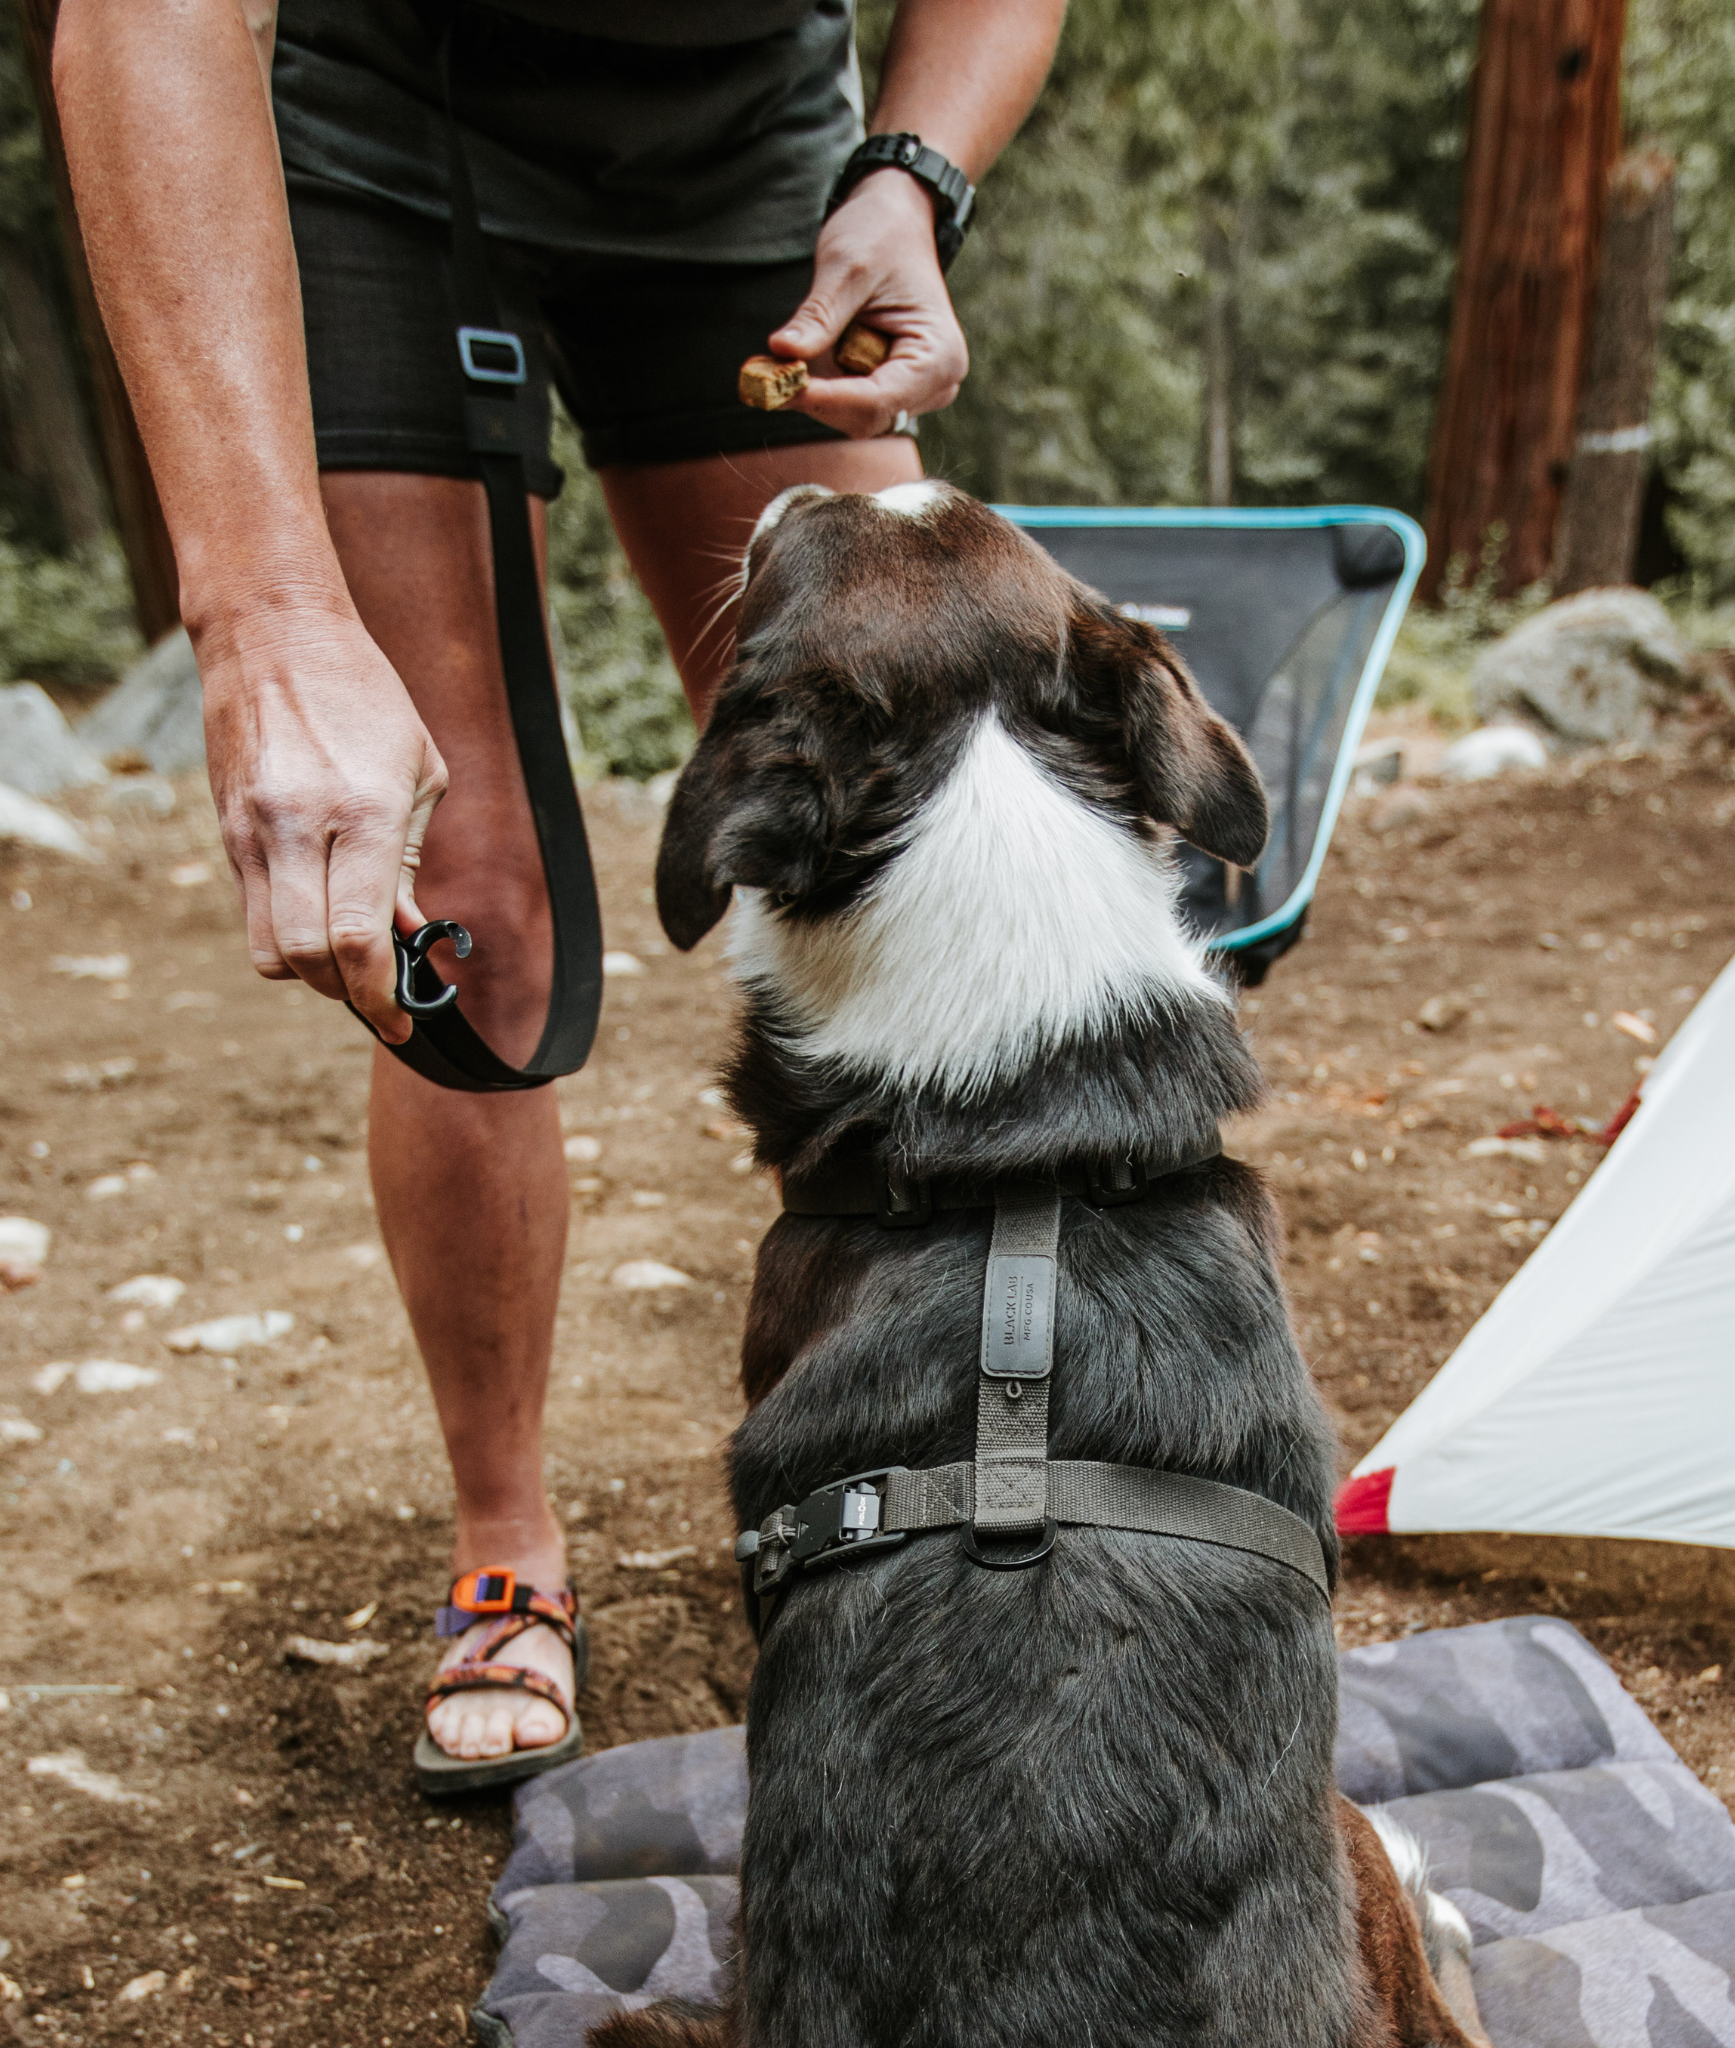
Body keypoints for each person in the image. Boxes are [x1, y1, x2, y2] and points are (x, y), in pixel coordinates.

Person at [52, 0, 1065, 1788]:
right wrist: (265, 614)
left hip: (745, 143)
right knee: (476, 912)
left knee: (914, 834)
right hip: (381, 123)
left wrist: (915, 170)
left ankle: (963, 1490)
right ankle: (507, 1540)